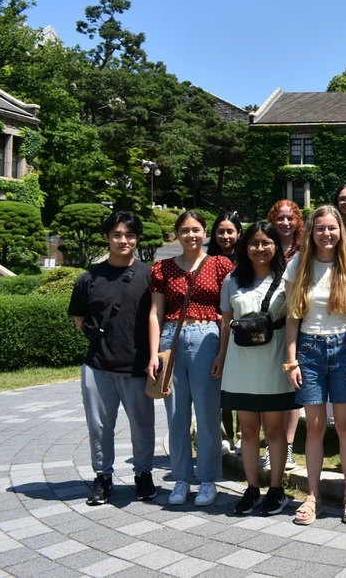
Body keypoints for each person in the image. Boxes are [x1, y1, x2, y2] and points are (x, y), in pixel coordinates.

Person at [283, 205, 346, 525]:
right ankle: (313, 496)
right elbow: (293, 317)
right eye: (320, 228)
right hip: (309, 350)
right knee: (315, 426)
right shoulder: (298, 266)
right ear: (311, 232)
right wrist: (291, 361)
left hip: (345, 348)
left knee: (345, 426)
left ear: (340, 231)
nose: (326, 234)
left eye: (332, 228)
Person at [69, 211, 156, 505]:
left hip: (138, 366)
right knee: (99, 426)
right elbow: (79, 317)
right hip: (98, 366)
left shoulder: (149, 275)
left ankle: (143, 474)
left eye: (129, 235)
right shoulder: (88, 278)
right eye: (117, 235)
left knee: (142, 426)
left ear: (137, 238)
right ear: (107, 237)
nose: (123, 240)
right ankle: (102, 477)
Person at [149, 210, 234, 506]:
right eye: (184, 230)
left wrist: (223, 353)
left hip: (207, 335)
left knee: (208, 413)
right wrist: (153, 354)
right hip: (171, 338)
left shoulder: (219, 264)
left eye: (196, 229)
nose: (191, 235)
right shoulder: (162, 268)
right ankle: (181, 478)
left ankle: (209, 479)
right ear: (177, 234)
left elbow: (227, 312)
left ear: (205, 232)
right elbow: (155, 312)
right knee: (176, 414)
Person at [212, 222, 295, 516]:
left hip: (274, 363)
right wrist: (221, 356)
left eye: (266, 243)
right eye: (253, 243)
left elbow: (295, 321)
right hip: (240, 364)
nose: (259, 249)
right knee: (248, 430)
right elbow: (226, 321)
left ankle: (276, 489)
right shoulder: (233, 279)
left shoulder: (288, 278)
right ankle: (251, 488)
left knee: (274, 430)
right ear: (244, 247)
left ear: (277, 246)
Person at [267, 200, 303, 471]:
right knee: (270, 386)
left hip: (298, 321)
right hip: (267, 323)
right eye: (280, 218)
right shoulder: (263, 243)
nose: (285, 223)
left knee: (292, 386)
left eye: (290, 218)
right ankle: (271, 444)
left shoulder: (304, 248)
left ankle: (287, 446)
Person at [208, 210, 244, 455]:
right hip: (214, 327)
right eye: (220, 231)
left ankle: (243, 434)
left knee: (242, 382)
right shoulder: (206, 260)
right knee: (219, 383)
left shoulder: (246, 259)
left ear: (239, 233)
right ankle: (225, 435)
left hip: (241, 329)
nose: (225, 236)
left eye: (230, 231)